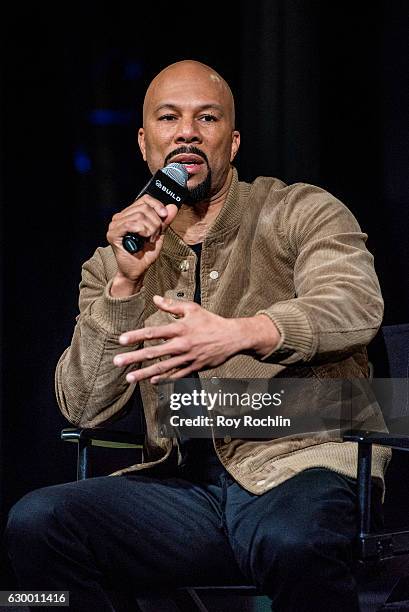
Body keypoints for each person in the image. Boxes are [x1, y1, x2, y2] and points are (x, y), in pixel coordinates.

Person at [6, 60, 390, 611]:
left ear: (231, 143)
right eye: (169, 118)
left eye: (206, 118)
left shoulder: (298, 210)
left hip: (300, 461)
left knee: (292, 540)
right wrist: (124, 287)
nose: (187, 130)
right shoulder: (111, 264)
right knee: (37, 523)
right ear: (145, 144)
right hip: (184, 489)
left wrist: (245, 333)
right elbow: (85, 407)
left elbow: (355, 303)